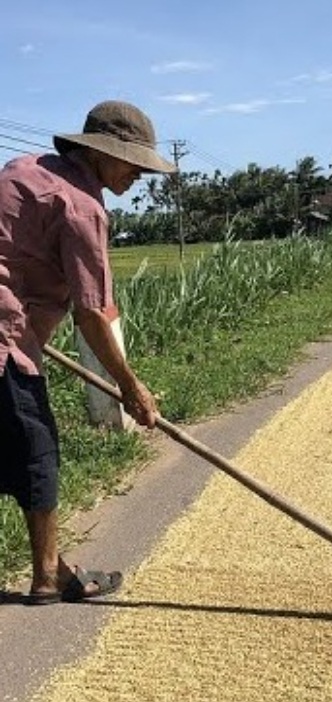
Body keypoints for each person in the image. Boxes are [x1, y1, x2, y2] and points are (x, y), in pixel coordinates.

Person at [0, 100, 176, 604]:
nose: (140, 174)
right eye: (132, 162)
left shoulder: (23, 169)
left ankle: (51, 568)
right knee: (37, 451)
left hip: (14, 333)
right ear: (98, 153)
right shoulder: (82, 208)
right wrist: (131, 388)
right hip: (5, 341)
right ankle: (47, 575)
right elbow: (93, 313)